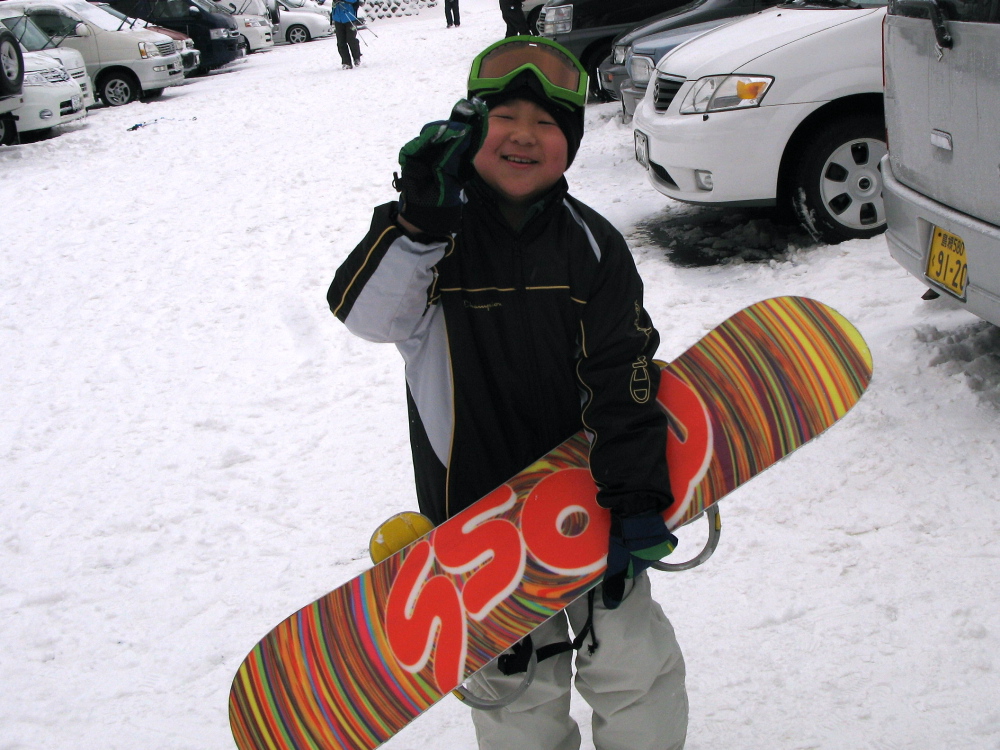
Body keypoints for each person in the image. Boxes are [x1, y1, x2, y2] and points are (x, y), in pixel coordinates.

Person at [328, 36, 688, 750]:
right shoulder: (429, 244)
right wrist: (417, 221)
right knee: (515, 686)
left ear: (571, 143)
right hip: (477, 525)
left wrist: (637, 494)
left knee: (632, 662)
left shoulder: (593, 246)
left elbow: (624, 370)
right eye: (505, 117)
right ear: (470, 131)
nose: (525, 135)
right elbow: (369, 317)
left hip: (591, 504)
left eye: (547, 123)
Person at [332, 0, 362, 69]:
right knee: (341, 42)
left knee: (351, 39)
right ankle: (346, 62)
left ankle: (356, 57)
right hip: (338, 19)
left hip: (350, 17)